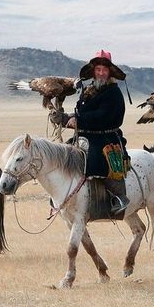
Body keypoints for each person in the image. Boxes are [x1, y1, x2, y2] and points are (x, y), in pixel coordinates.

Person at [58, 50, 129, 214]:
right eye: (98, 70)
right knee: (64, 153)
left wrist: (78, 120)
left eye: (104, 70)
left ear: (109, 72)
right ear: (94, 71)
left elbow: (103, 116)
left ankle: (118, 197)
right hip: (85, 134)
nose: (101, 73)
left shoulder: (114, 93)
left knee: (96, 158)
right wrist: (66, 118)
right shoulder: (89, 90)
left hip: (106, 136)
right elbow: (82, 112)